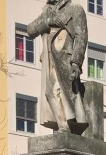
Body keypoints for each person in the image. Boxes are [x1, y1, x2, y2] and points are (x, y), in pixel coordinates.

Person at [25, 0, 88, 134]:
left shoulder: (75, 9)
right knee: (50, 92)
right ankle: (63, 126)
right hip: (50, 58)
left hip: (66, 58)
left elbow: (81, 36)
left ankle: (65, 127)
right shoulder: (48, 11)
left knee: (55, 91)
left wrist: (76, 62)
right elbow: (30, 30)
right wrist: (48, 22)